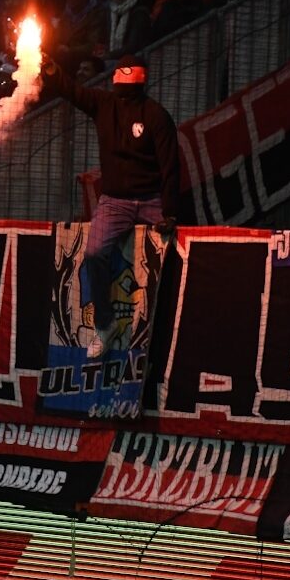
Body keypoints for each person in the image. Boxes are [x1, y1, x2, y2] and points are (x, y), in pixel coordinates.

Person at [41, 54, 180, 358]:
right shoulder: (104, 104)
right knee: (93, 253)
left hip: (151, 200)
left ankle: (174, 325)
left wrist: (170, 212)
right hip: (114, 202)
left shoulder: (156, 115)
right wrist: (52, 69)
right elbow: (73, 91)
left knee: (179, 250)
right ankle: (105, 326)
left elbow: (171, 167)